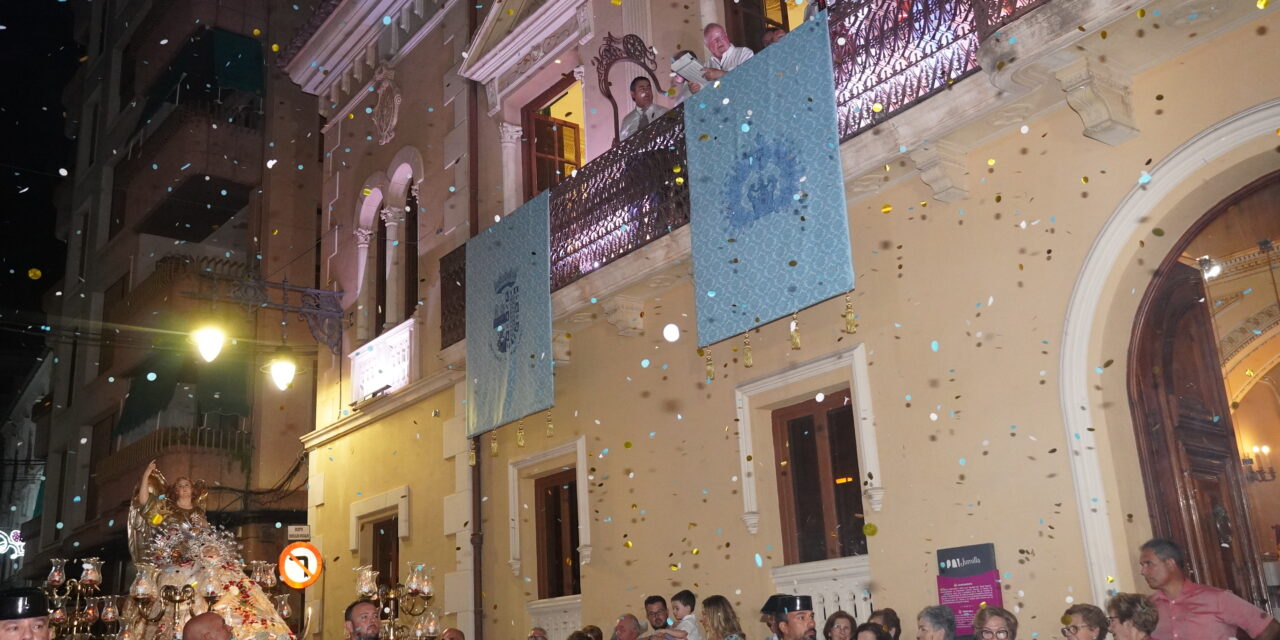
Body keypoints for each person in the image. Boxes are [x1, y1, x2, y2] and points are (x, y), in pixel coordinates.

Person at [127, 460, 291, 640]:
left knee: (224, 574)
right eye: (180, 486)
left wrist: (204, 529)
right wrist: (146, 476)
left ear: (192, 490)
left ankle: (241, 618)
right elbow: (144, 503)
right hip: (178, 561)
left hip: (200, 559)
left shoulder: (198, 511)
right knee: (178, 585)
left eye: (187, 485)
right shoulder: (168, 509)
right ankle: (182, 621)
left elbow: (206, 535)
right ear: (175, 491)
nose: (184, 489)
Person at [1139, 537, 1279, 640]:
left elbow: (1270, 629)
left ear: (1170, 563)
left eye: (1148, 564)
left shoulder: (1217, 599)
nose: (1143, 572)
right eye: (1142, 565)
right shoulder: (1149, 607)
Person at [620, 77, 669, 141]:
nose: (647, 91)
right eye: (642, 89)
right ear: (633, 94)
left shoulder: (663, 112)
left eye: (649, 88)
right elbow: (622, 144)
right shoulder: (627, 120)